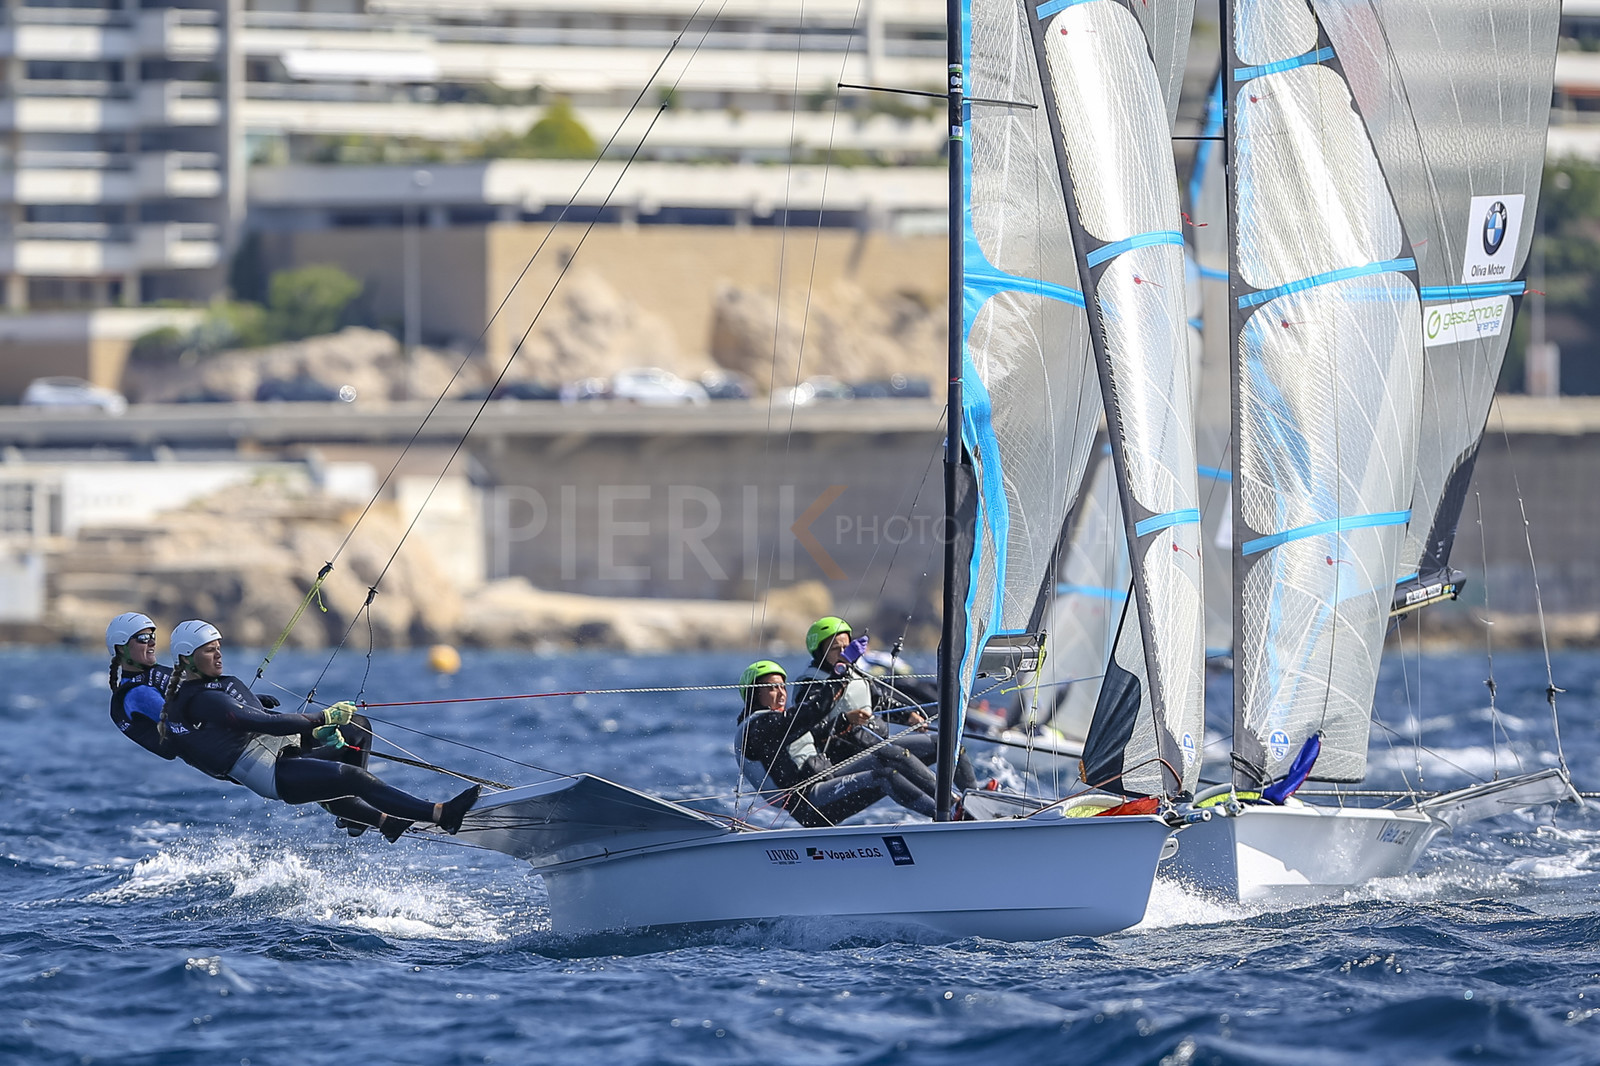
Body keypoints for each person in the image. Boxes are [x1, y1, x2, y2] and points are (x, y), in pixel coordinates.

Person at [160, 620, 479, 842]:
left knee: (355, 727)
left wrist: (317, 732)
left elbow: (258, 717)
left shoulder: (209, 688)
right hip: (271, 773)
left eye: (218, 647)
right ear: (187, 658)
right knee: (352, 777)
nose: (218, 655)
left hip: (279, 751)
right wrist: (323, 717)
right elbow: (263, 723)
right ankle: (441, 815)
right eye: (208, 650)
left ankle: (359, 815)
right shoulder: (202, 700)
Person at [736, 659, 949, 826]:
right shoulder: (756, 728)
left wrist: (845, 720)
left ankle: (954, 804)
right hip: (810, 805)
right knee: (885, 776)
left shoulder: (774, 723)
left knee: (889, 754)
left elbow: (815, 727)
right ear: (754, 693)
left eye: (783, 686)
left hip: (826, 781)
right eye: (773, 688)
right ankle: (944, 817)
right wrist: (837, 678)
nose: (782, 693)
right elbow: (806, 715)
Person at [795, 616, 977, 793]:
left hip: (873, 744)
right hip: (846, 756)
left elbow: (879, 702)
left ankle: (974, 794)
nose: (843, 653)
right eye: (836, 649)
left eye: (847, 647)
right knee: (897, 754)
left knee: (947, 744)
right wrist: (845, 720)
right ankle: (951, 803)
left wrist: (908, 716)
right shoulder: (810, 684)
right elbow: (807, 727)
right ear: (820, 653)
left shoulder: (854, 672)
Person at [107, 613, 176, 761]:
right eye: (144, 639)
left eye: (153, 637)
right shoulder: (138, 693)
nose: (152, 643)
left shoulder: (152, 678)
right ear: (121, 648)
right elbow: (180, 720)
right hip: (227, 754)